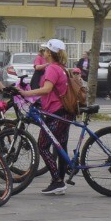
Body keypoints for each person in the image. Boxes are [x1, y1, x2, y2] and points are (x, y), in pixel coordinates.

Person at [22, 38, 74, 195]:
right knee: (61, 146)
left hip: (56, 113)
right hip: (65, 112)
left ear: (50, 53)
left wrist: (26, 93)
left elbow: (46, 89)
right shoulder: (62, 68)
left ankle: (57, 181)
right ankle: (59, 182)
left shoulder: (52, 68)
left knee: (43, 146)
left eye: (45, 50)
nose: (43, 52)